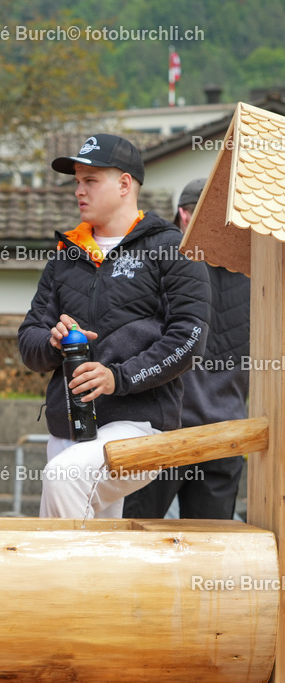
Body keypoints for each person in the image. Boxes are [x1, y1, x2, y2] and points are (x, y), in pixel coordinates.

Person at [17, 134, 210, 519]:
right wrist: (53, 342)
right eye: (76, 181)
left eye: (90, 180)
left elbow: (190, 337)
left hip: (139, 425)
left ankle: (60, 582)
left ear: (124, 184)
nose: (79, 191)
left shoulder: (172, 247)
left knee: (64, 478)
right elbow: (28, 339)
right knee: (97, 542)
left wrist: (117, 378)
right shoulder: (65, 255)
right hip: (66, 427)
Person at [124, 178, 250, 520]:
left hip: (167, 431)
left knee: (136, 537)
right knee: (210, 548)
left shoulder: (161, 265)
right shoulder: (256, 273)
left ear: (181, 213)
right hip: (227, 432)